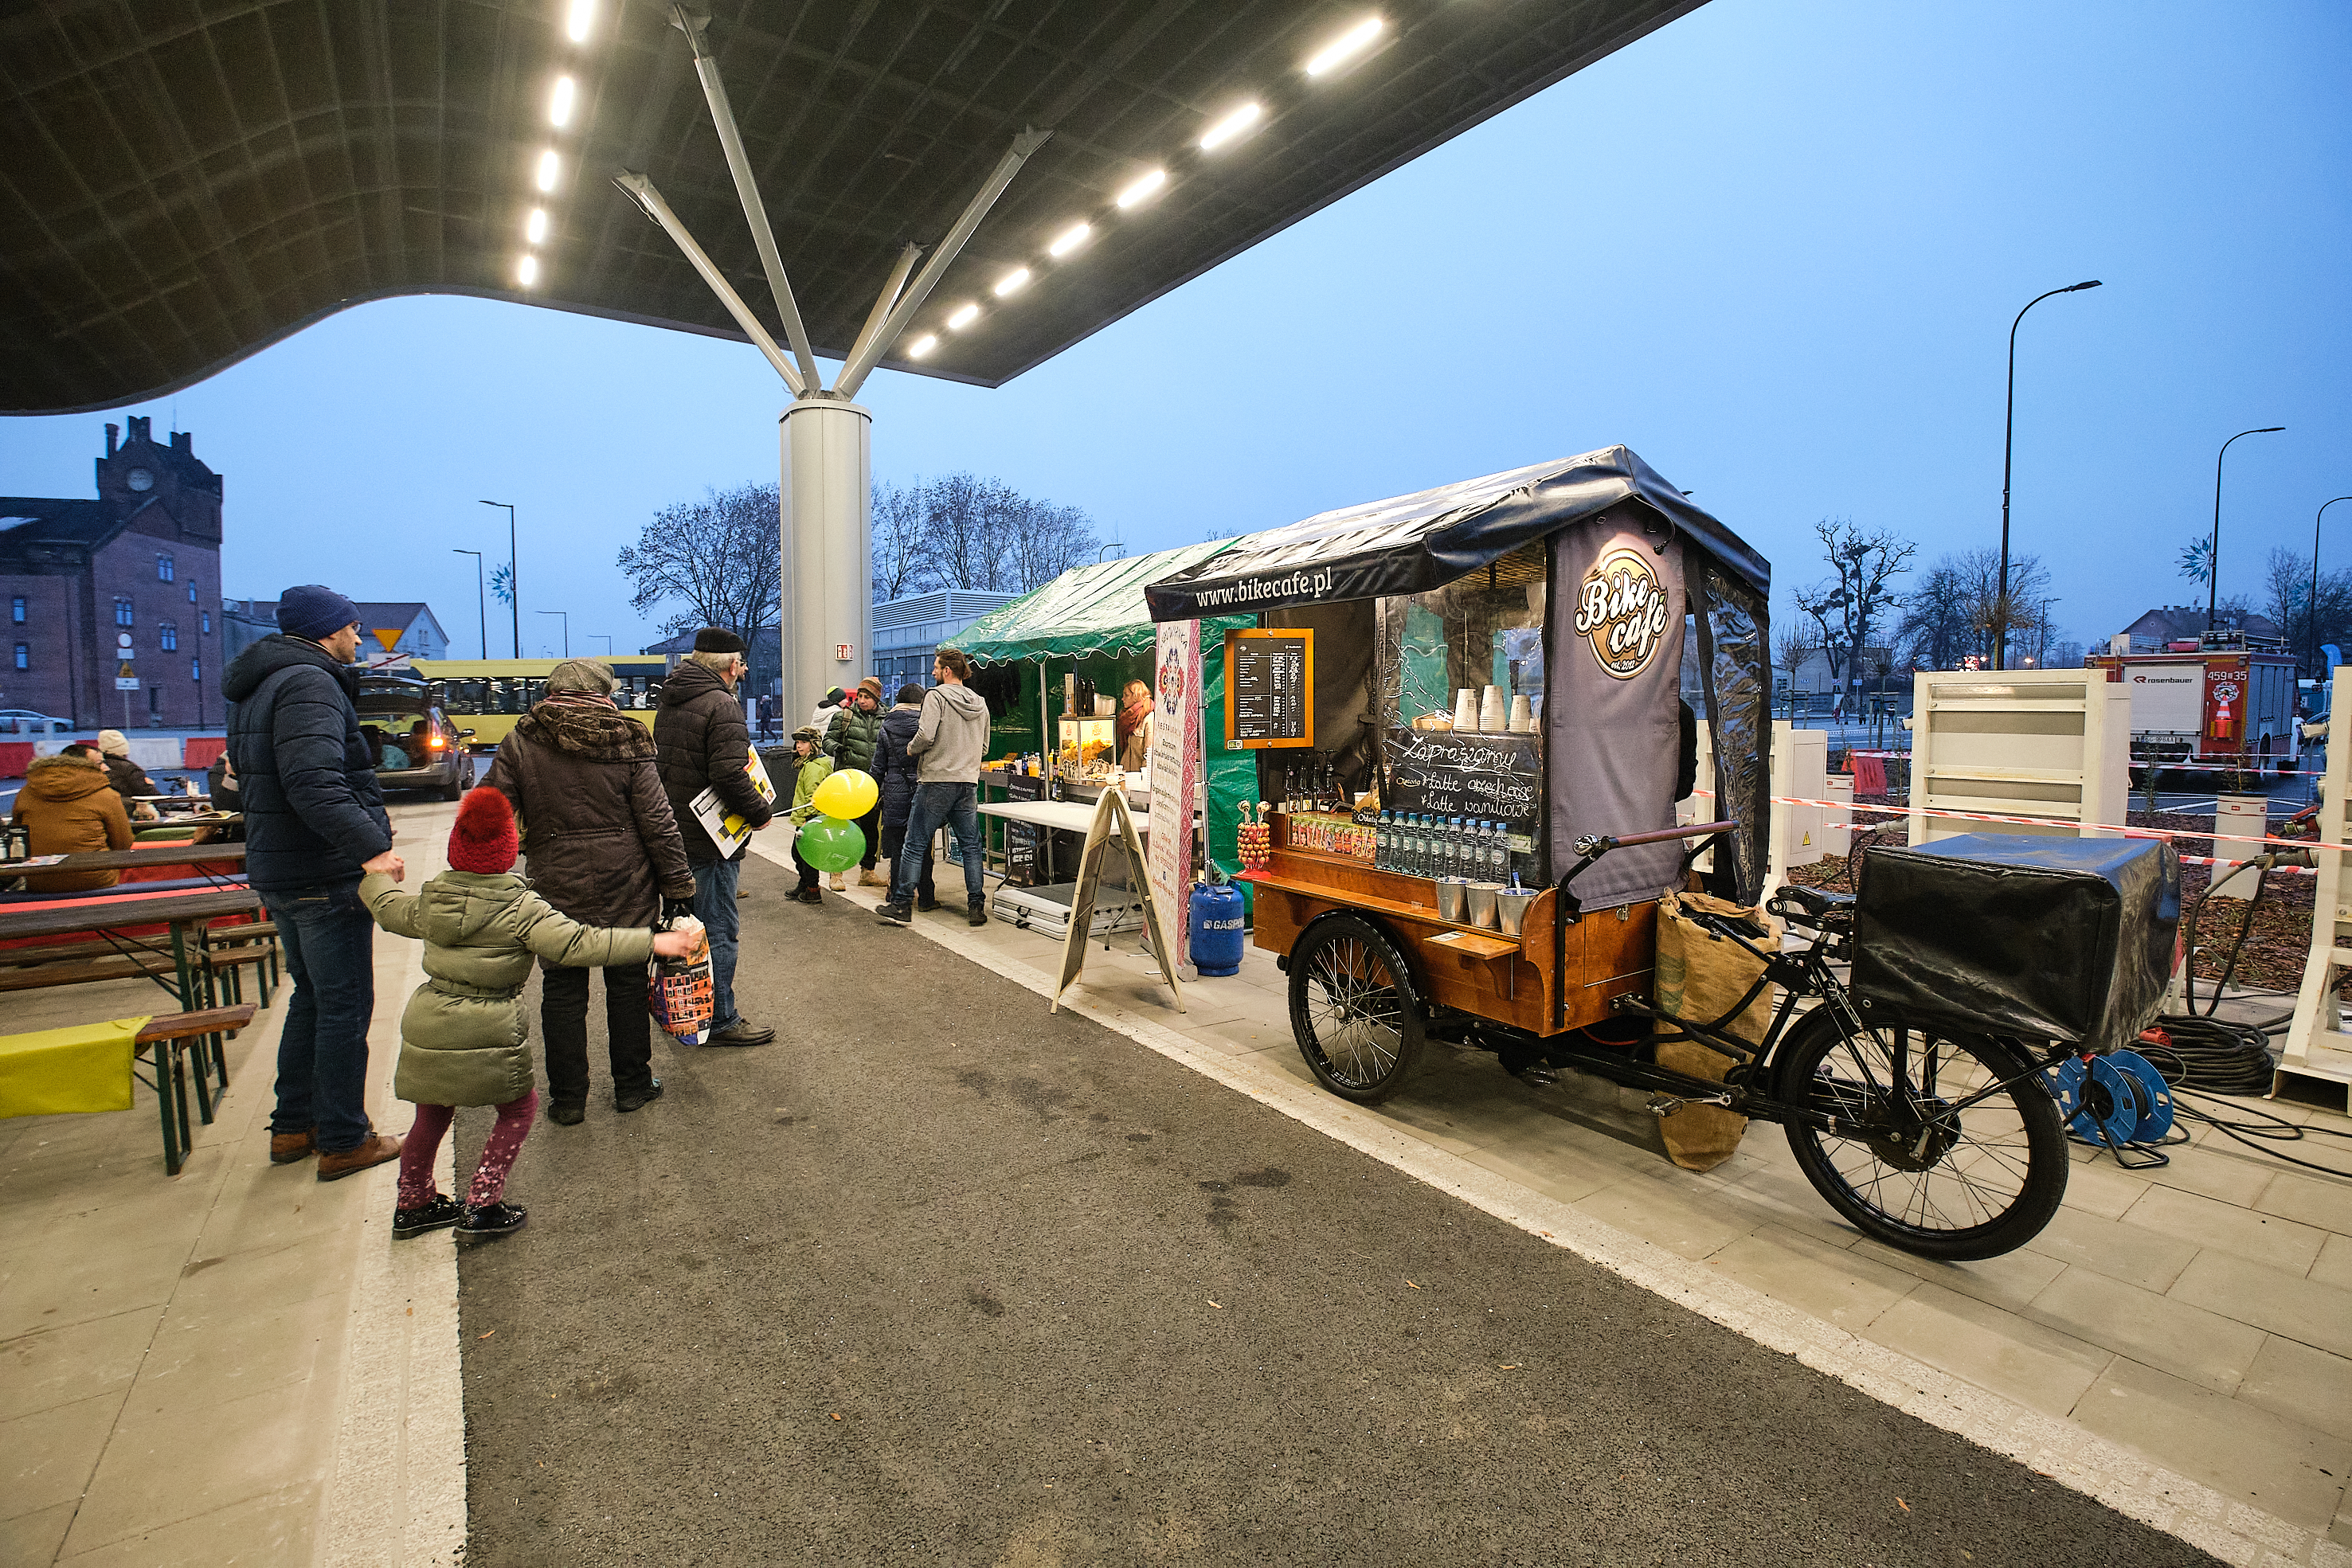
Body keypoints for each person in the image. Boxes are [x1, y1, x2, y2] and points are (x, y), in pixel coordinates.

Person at [362, 788, 697, 1243]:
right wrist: (652, 942)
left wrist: (375, 875)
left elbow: (387, 908)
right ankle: (482, 1203)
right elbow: (580, 943)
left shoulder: (432, 898)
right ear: (509, 850)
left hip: (430, 1017)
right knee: (519, 1109)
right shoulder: (522, 908)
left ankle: (414, 1202)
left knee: (432, 1113)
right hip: (492, 1021)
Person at [223, 584, 405, 1181]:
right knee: (344, 1007)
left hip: (282, 868)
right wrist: (372, 846)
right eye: (353, 627)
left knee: (311, 999)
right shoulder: (309, 682)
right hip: (320, 872)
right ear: (328, 629)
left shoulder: (260, 683)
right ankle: (343, 1137)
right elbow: (314, 783)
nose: (358, 637)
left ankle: (293, 1126)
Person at [483, 658, 696, 1124]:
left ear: (551, 692)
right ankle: (633, 1086)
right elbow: (658, 822)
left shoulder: (521, 740)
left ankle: (568, 1099)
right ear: (606, 692)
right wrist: (678, 886)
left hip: (555, 882)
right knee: (625, 986)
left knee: (561, 988)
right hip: (628, 880)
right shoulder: (629, 736)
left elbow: (490, 811)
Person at [652, 628, 776, 1046]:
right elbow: (728, 772)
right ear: (728, 665)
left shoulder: (670, 700)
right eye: (741, 665)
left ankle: (682, 1014)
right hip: (709, 840)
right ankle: (721, 1019)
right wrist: (760, 812)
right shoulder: (721, 704)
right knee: (718, 930)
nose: (742, 673)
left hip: (675, 834)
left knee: (680, 928)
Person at [877, 648, 990, 929]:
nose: (932, 673)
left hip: (937, 780)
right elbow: (984, 747)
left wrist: (912, 748)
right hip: (967, 781)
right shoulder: (980, 703)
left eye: (936, 668)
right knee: (972, 847)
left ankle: (902, 905)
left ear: (948, 671)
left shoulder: (936, 697)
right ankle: (976, 906)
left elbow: (926, 735)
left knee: (914, 844)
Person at [10, 749, 132, 891]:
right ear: (91, 769)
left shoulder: (25, 794)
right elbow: (123, 844)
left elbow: (17, 836)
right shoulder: (106, 795)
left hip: (39, 880)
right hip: (97, 879)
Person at [872, 682, 941, 911]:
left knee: (900, 847)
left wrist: (874, 793)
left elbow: (878, 767)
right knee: (923, 846)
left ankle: (897, 895)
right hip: (923, 791)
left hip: (894, 795)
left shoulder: (886, 727)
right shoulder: (928, 726)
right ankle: (926, 897)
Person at [825, 677, 887, 890]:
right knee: (843, 828)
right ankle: (836, 874)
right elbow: (827, 741)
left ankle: (867, 872)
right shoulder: (844, 717)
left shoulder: (886, 719)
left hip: (872, 785)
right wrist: (836, 748)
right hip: (848, 784)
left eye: (867, 697)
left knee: (871, 830)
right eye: (860, 696)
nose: (862, 700)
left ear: (877, 698)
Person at [784, 725, 833, 905]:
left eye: (804, 742)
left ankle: (813, 889)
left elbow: (813, 797)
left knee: (806, 855)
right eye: (797, 742)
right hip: (806, 817)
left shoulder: (814, 768)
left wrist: (807, 820)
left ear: (814, 745)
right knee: (799, 854)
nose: (799, 746)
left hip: (810, 819)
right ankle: (804, 884)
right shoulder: (808, 764)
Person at [93, 729, 162, 819]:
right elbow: (151, 795)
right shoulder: (130, 768)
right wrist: (151, 786)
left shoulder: (94, 766)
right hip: (128, 815)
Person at [1116, 679, 1155, 772]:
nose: (1122, 699)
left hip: (1139, 777)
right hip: (1125, 775)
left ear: (1136, 696)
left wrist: (1144, 776)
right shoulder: (1125, 717)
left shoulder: (1149, 718)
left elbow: (1149, 753)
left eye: (1126, 695)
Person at [808, 685, 848, 753]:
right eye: (844, 699)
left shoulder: (818, 712)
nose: (847, 701)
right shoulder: (837, 714)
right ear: (837, 700)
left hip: (818, 751)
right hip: (831, 752)